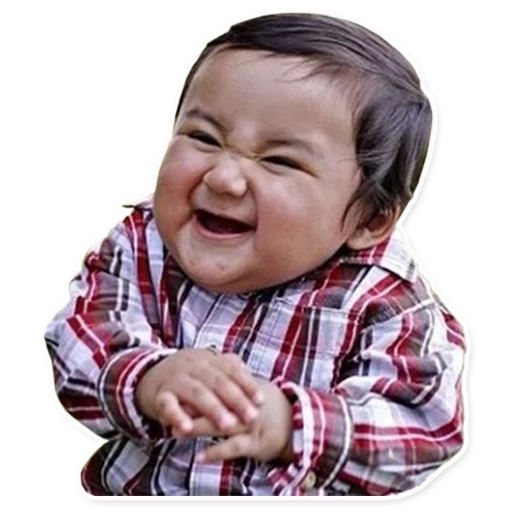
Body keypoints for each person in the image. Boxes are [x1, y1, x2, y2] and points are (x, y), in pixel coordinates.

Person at [44, 12, 467, 497]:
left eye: (280, 160)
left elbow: (426, 429)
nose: (224, 178)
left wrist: (291, 424)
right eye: (203, 137)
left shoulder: (388, 302)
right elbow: (77, 340)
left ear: (367, 221)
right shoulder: (141, 241)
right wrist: (146, 379)